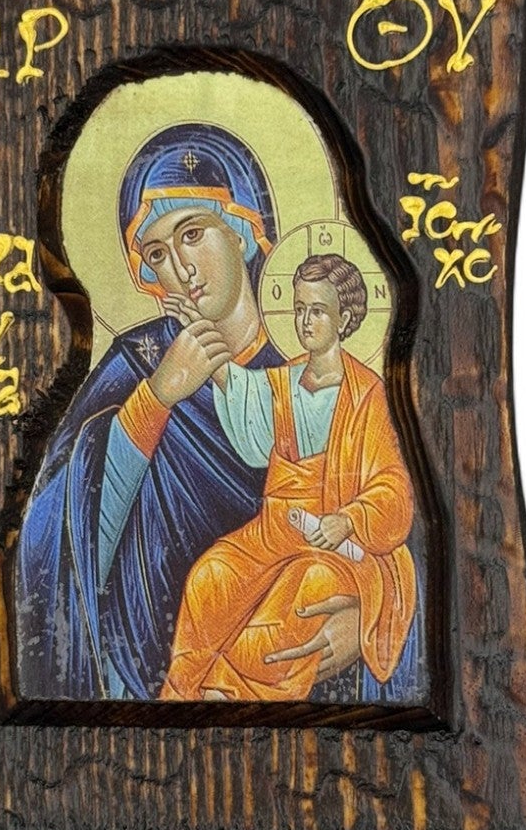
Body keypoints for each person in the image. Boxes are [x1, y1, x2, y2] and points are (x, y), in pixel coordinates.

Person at [17, 122, 401, 700]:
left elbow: (386, 502)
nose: (181, 269)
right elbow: (56, 537)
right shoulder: (141, 363)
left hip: (297, 646)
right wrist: (157, 398)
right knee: (212, 581)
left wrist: (367, 613)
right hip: (142, 674)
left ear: (244, 231)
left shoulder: (317, 371)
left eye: (193, 234)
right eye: (157, 254)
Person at [160, 255, 417, 701]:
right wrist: (200, 329)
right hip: (272, 535)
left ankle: (233, 692)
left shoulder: (367, 396)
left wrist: (349, 519)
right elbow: (240, 391)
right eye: (299, 309)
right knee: (211, 574)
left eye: (318, 311)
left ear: (345, 319)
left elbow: (392, 487)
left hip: (336, 547)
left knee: (305, 586)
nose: (305, 321)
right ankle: (182, 693)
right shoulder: (282, 383)